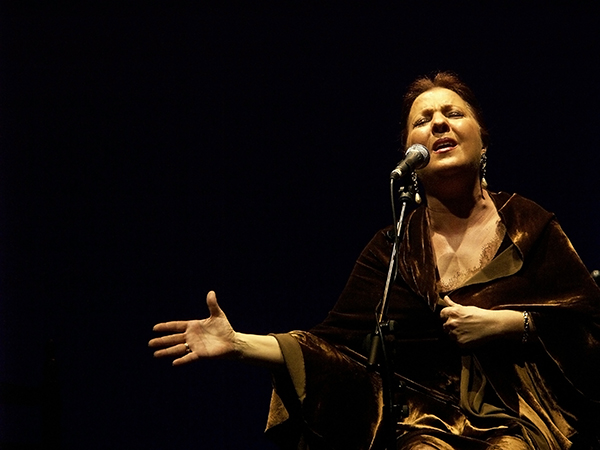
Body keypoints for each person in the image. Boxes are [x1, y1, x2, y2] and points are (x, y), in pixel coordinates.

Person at [148, 72, 600, 450]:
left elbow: (591, 323)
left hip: (520, 419)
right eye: (422, 121)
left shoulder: (529, 223)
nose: (438, 123)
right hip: (427, 429)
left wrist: (513, 325)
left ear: (483, 141)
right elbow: (333, 347)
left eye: (453, 113)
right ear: (409, 153)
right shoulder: (392, 247)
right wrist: (238, 343)